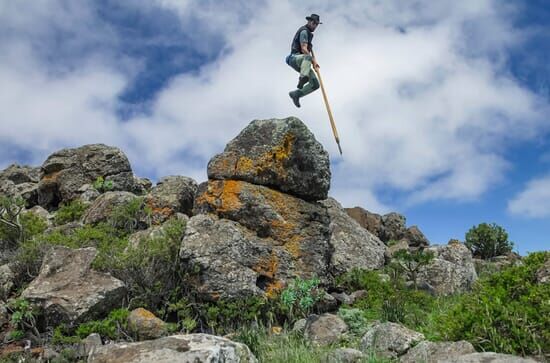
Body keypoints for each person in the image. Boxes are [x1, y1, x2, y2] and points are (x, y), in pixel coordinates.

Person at [286, 14, 322, 108]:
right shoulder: (304, 32)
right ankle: (303, 77)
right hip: (294, 58)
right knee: (308, 57)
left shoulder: (309, 35)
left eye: (316, 24)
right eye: (313, 23)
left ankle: (296, 94)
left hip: (303, 63)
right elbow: (304, 49)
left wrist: (314, 63)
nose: (315, 26)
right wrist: (314, 62)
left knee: (315, 84)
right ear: (309, 21)